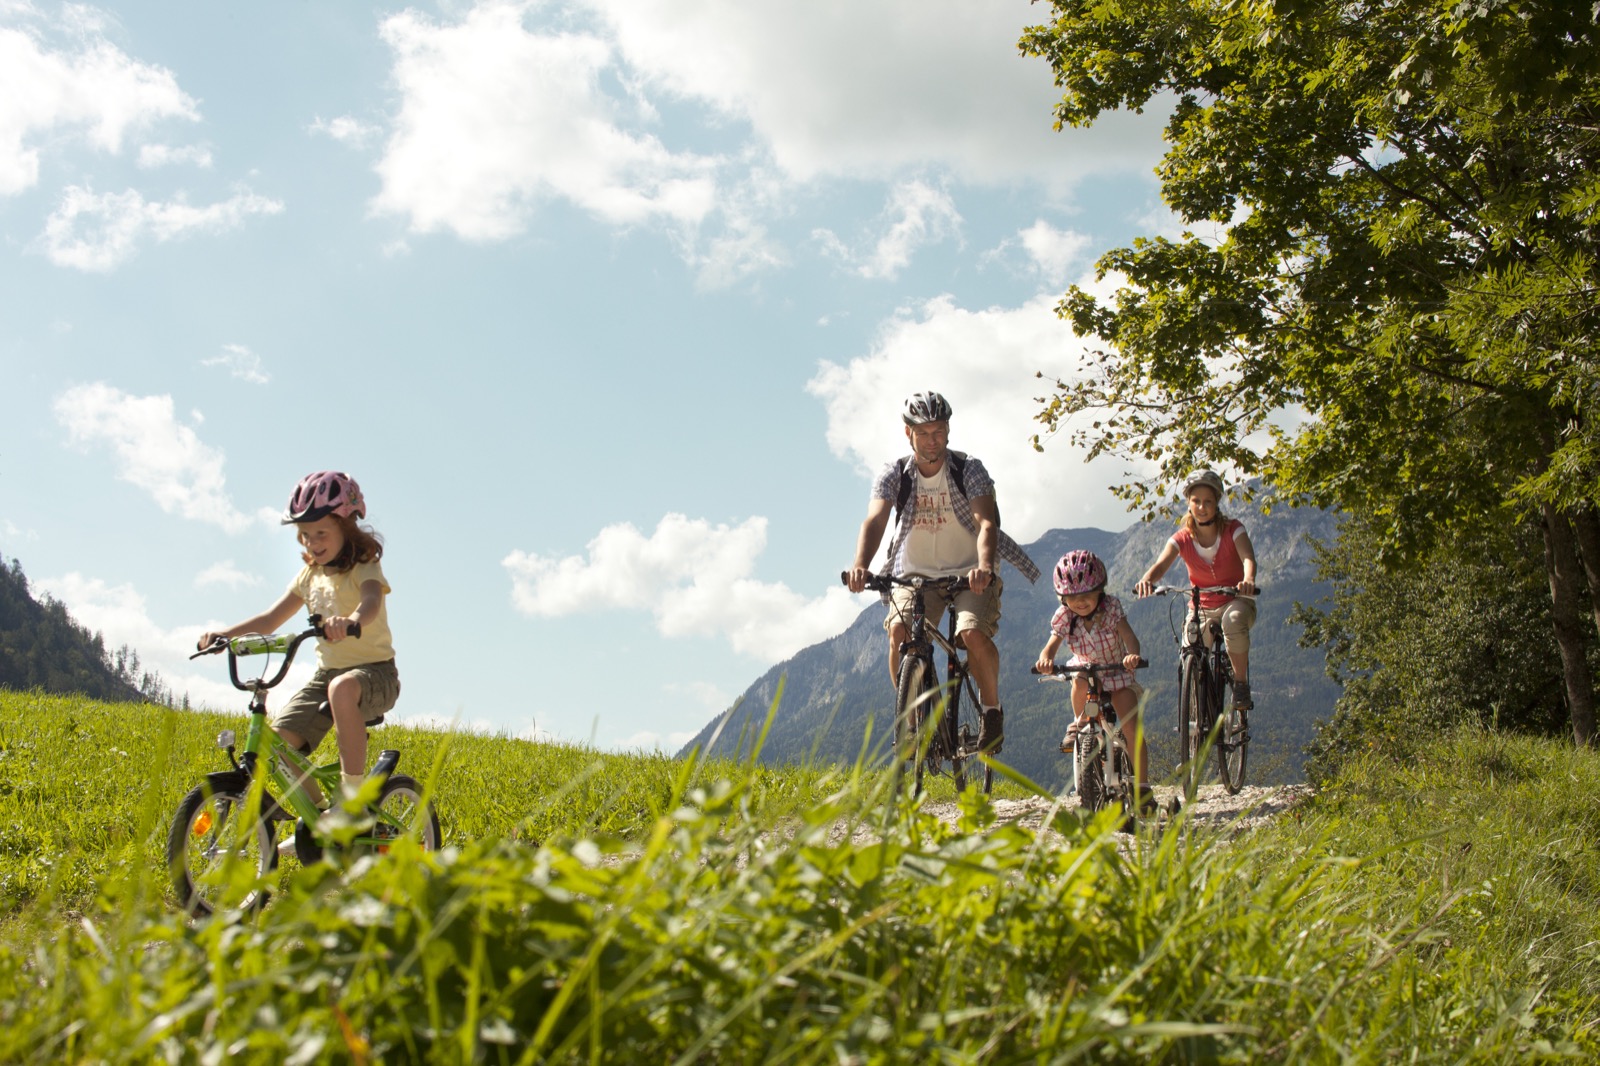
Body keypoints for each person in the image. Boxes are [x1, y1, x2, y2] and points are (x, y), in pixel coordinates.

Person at [844, 391, 1040, 754]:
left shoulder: (970, 469)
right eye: (924, 433)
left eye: (939, 432)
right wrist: (861, 565)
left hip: (968, 574)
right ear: (908, 434)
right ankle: (914, 721)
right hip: (915, 575)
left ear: (948, 430)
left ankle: (992, 711)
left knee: (971, 634)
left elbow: (986, 522)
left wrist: (984, 567)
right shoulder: (894, 474)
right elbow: (875, 519)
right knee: (899, 633)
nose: (933, 441)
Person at [197, 470, 399, 809]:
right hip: (328, 677)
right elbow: (269, 619)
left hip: (376, 674)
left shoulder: (364, 566)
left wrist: (350, 621)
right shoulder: (309, 577)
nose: (312, 541)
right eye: (305, 535)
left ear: (346, 526)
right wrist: (224, 635)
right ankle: (318, 817)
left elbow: (370, 602)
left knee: (342, 689)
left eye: (321, 532)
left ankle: (352, 798)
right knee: (275, 744)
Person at [1134, 469, 1259, 709]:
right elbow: (1161, 564)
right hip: (1201, 606)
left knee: (1233, 621)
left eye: (1208, 502)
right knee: (1190, 648)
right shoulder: (1182, 538)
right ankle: (1195, 712)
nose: (1202, 507)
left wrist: (1248, 579)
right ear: (1189, 503)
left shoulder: (1234, 529)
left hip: (1235, 599)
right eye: (1196, 501)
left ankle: (1241, 684)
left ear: (1216, 503)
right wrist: (1147, 579)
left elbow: (1248, 558)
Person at [1035, 550, 1147, 794]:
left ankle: (1143, 785)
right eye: (1072, 596)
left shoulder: (1111, 609)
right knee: (1080, 680)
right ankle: (1081, 723)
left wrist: (1132, 655)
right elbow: (1051, 646)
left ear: (1100, 590)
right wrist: (1045, 660)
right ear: (1062, 597)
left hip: (1116, 670)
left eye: (1087, 594)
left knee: (1130, 724)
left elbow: (1129, 637)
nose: (1080, 601)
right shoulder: (1065, 616)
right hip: (1086, 668)